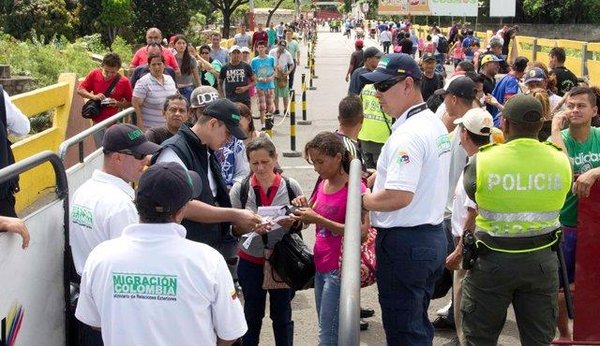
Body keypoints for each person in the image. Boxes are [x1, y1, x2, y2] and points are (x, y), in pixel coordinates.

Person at [75, 162, 247, 346]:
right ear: (181, 210)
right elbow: (230, 332)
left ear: (138, 201)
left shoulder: (100, 257)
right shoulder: (208, 261)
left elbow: (94, 322)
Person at [461, 94, 572, 345]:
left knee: (480, 338)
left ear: (506, 124)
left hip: (492, 261)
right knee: (539, 339)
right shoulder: (560, 160)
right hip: (542, 262)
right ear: (540, 124)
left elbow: (472, 195)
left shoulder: (483, 160)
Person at [360, 54, 451, 344]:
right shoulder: (431, 122)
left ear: (408, 84)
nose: (378, 94)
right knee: (415, 325)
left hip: (406, 243)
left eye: (384, 86)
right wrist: (381, 176)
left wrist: (363, 200)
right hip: (428, 237)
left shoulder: (408, 134)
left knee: (404, 332)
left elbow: (399, 195)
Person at [70, 123, 161, 344]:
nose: (146, 161)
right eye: (140, 155)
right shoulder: (120, 205)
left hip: (90, 299)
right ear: (118, 158)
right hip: (115, 309)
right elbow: (132, 268)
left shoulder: (83, 191)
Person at [153, 94, 262, 252]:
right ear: (212, 123)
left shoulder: (206, 149)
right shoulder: (174, 151)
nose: (229, 139)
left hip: (210, 245)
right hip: (185, 249)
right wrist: (234, 215)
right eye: (228, 133)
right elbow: (181, 204)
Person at [290, 131, 370, 346]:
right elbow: (311, 214)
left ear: (337, 157)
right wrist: (301, 208)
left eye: (320, 162)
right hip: (321, 267)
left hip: (339, 269)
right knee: (328, 330)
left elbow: (362, 232)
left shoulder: (355, 188)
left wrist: (319, 219)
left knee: (328, 336)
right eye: (313, 162)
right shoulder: (322, 183)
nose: (316, 167)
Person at [229, 137, 303, 346]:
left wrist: (292, 222)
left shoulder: (290, 186)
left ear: (275, 159)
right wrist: (250, 226)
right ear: (249, 163)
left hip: (282, 261)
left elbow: (304, 221)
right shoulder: (241, 189)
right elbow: (233, 228)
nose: (260, 168)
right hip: (251, 260)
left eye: (265, 162)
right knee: (251, 316)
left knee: (282, 316)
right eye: (254, 163)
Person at [550, 86, 600, 341]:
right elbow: (563, 171)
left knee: (593, 286)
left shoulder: (599, 136)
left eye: (581, 105)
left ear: (594, 110)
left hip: (596, 227)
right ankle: (565, 334)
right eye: (570, 105)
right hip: (566, 225)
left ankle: (591, 333)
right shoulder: (558, 140)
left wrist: (595, 172)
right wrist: (555, 130)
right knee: (560, 290)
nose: (574, 110)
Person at [444, 107, 494, 346]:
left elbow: (472, 215)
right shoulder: (488, 160)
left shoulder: (477, 165)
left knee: (465, 305)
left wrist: (458, 250)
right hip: (479, 244)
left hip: (470, 247)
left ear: (465, 134)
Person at [77, 53, 132, 146]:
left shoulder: (124, 82)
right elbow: (80, 90)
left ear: (118, 70)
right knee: (100, 150)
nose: (109, 75)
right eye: (106, 71)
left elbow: (131, 102)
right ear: (102, 66)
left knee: (112, 150)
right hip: (97, 122)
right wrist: (93, 97)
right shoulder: (94, 74)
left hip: (114, 122)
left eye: (113, 72)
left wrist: (117, 104)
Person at [132, 53, 177, 130]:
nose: (157, 67)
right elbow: (136, 104)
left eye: (159, 64)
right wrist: (141, 126)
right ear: (149, 67)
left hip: (169, 128)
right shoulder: (143, 82)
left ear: (164, 65)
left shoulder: (169, 79)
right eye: (153, 64)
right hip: (151, 129)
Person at [490, 56, 529, 125]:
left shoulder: (504, 78)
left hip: (496, 119)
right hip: (502, 122)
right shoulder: (512, 82)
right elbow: (511, 104)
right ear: (523, 69)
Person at [218, 45, 254, 109]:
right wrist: (222, 97)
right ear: (230, 54)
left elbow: (255, 81)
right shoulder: (225, 68)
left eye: (238, 53)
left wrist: (245, 88)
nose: (236, 55)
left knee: (246, 118)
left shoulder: (246, 66)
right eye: (234, 53)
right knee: (233, 118)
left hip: (244, 99)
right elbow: (220, 83)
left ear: (241, 54)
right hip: (231, 101)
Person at [251, 41, 276, 127]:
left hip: (270, 86)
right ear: (257, 49)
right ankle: (263, 126)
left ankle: (270, 123)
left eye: (263, 47)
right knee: (262, 107)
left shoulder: (271, 59)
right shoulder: (254, 60)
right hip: (259, 86)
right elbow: (252, 73)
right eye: (259, 47)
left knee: (270, 106)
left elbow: (275, 71)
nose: (261, 49)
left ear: (266, 48)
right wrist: (257, 79)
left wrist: (271, 78)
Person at [172, 35, 200, 102]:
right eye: (179, 43)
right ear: (174, 45)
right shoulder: (171, 58)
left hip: (188, 89)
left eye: (183, 43)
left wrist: (199, 88)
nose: (181, 45)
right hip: (174, 89)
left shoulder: (191, 59)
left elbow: (197, 77)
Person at [270, 40, 294, 117]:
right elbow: (269, 61)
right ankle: (276, 109)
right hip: (274, 73)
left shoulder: (287, 54)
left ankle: (286, 110)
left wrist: (288, 72)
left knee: (285, 94)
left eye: (283, 46)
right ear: (278, 45)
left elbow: (292, 64)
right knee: (275, 93)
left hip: (283, 74)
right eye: (281, 45)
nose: (282, 47)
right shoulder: (272, 52)